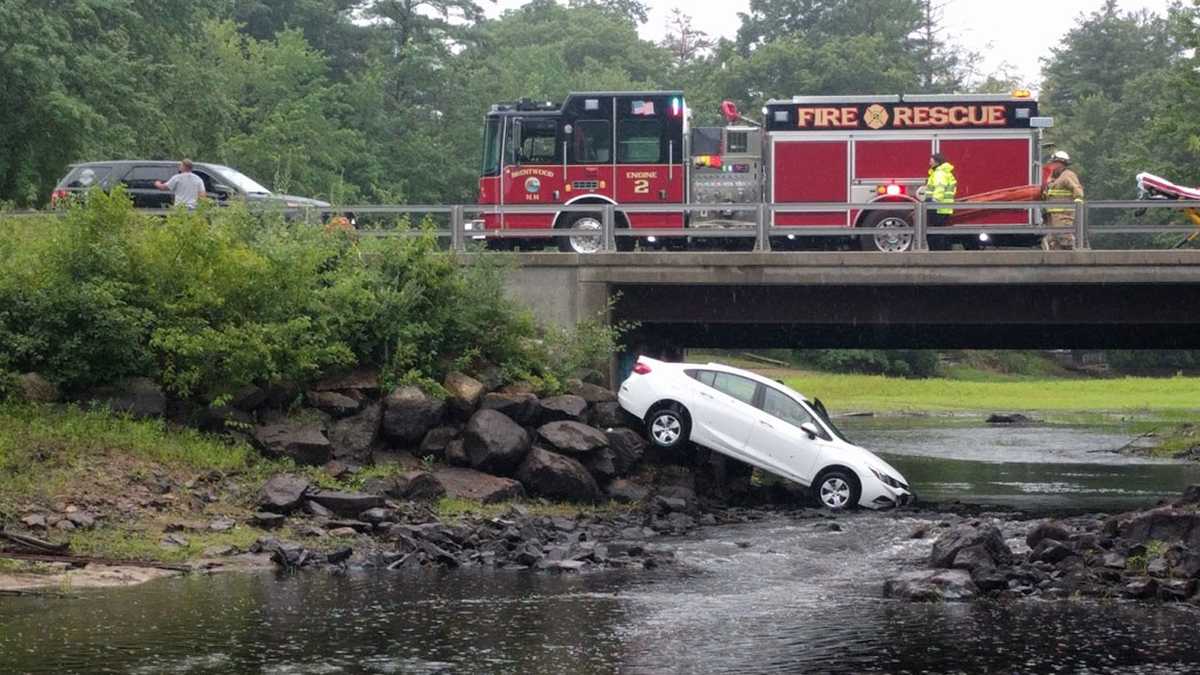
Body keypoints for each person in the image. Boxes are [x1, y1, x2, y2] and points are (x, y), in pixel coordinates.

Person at [1042, 151, 1084, 250]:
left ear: (1061, 163)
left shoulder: (1068, 175)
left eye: (1054, 163)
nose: (1052, 166)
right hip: (1052, 215)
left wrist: (1076, 206)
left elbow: (1077, 190)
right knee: (1054, 241)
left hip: (1064, 215)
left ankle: (1070, 260)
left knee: (1065, 239)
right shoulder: (1053, 178)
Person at [925, 153, 957, 228]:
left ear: (937, 162)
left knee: (936, 231)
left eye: (931, 161)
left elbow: (940, 188)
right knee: (940, 230)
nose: (929, 163)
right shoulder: (944, 172)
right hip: (943, 208)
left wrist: (934, 201)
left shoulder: (939, 173)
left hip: (937, 207)